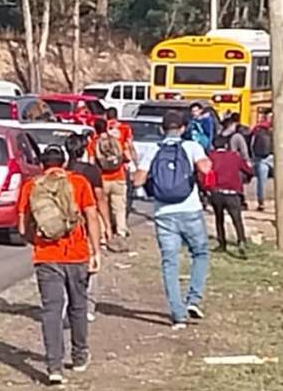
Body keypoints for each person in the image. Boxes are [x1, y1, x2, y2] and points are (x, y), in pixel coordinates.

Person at [18, 146, 101, 385]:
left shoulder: (31, 186)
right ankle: (79, 356)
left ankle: (54, 366)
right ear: (64, 163)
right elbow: (92, 216)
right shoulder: (79, 182)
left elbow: (23, 228)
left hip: (46, 256)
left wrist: (37, 241)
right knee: (78, 306)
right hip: (77, 254)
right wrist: (95, 250)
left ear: (43, 164)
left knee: (51, 311)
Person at [133, 111, 213, 330]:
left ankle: (177, 314)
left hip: (163, 214)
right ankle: (193, 299)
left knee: (170, 262)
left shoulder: (154, 150)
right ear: (183, 128)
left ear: (162, 129)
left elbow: (138, 180)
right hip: (190, 209)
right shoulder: (191, 147)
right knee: (201, 253)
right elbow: (206, 168)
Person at [65, 134, 106, 322]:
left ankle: (70, 303)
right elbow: (100, 198)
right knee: (92, 265)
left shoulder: (63, 170)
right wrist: (107, 223)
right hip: (88, 220)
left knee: (69, 264)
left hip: (67, 222)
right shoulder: (91, 171)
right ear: (84, 149)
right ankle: (88, 305)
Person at [206, 135, 252, 258]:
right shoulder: (234, 157)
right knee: (237, 219)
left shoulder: (211, 157)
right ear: (226, 146)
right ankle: (241, 241)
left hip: (217, 192)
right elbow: (248, 170)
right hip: (232, 193)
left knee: (219, 218)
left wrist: (206, 190)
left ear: (213, 146)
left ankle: (222, 243)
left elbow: (203, 173)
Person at [88, 117, 131, 246]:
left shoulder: (94, 143)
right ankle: (121, 231)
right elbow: (127, 157)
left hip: (102, 180)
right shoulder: (116, 140)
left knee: (102, 208)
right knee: (120, 208)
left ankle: (103, 235)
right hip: (119, 177)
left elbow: (90, 162)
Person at [250, 110, 273, 211]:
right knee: (261, 182)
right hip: (262, 158)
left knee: (261, 182)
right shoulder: (259, 129)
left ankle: (262, 202)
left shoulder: (258, 129)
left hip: (269, 157)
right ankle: (261, 202)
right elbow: (252, 143)